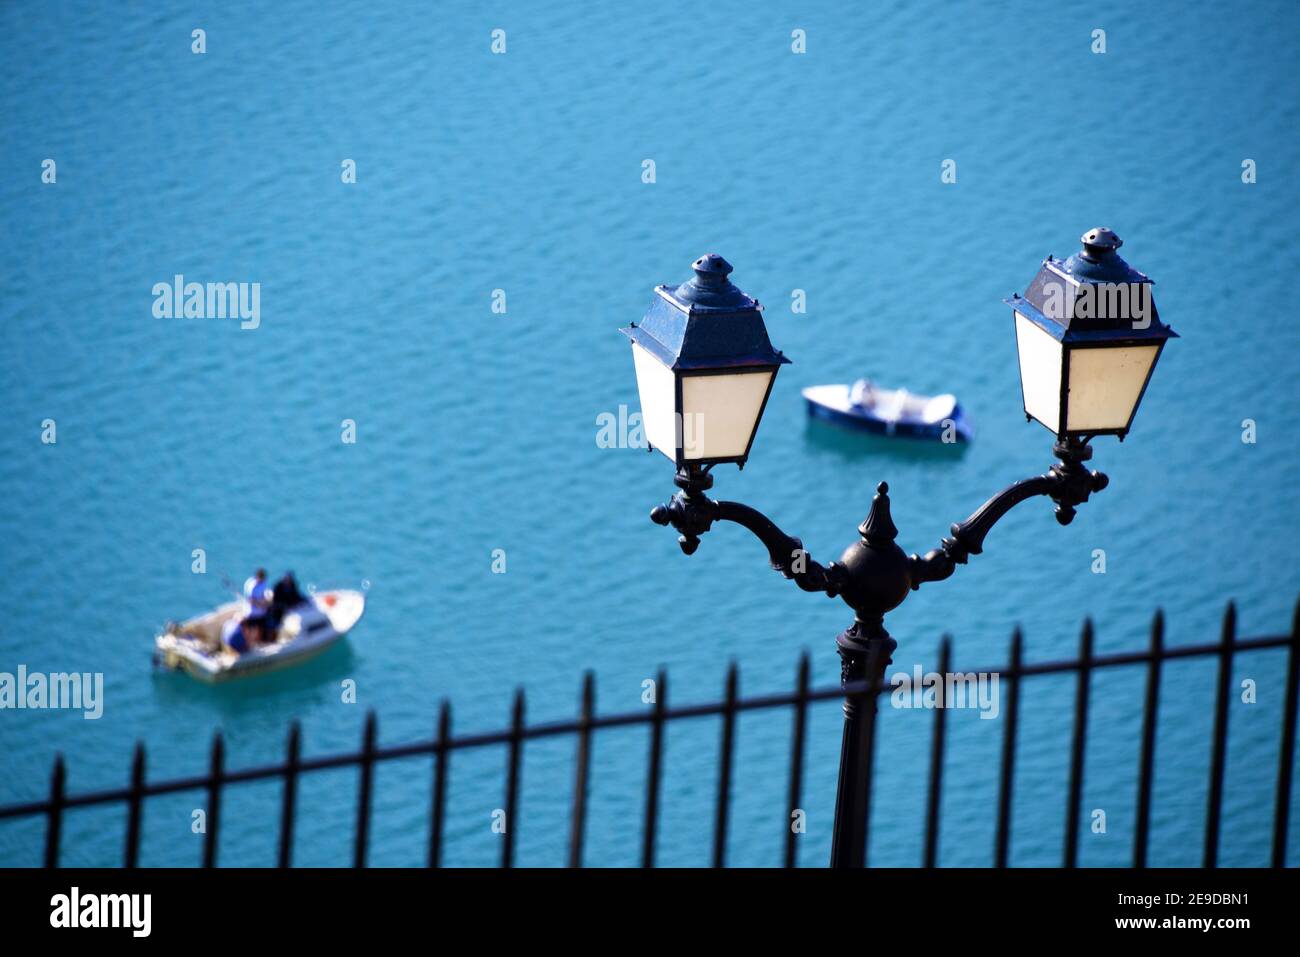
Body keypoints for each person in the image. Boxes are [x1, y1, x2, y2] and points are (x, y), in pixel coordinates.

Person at [243, 569, 272, 645]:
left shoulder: (264, 583)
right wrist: (261, 604)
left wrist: (265, 602)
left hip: (261, 612)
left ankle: (257, 643)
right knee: (249, 630)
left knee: (260, 628)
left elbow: (264, 594)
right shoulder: (252, 586)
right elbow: (250, 600)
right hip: (251, 612)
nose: (263, 580)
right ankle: (247, 644)